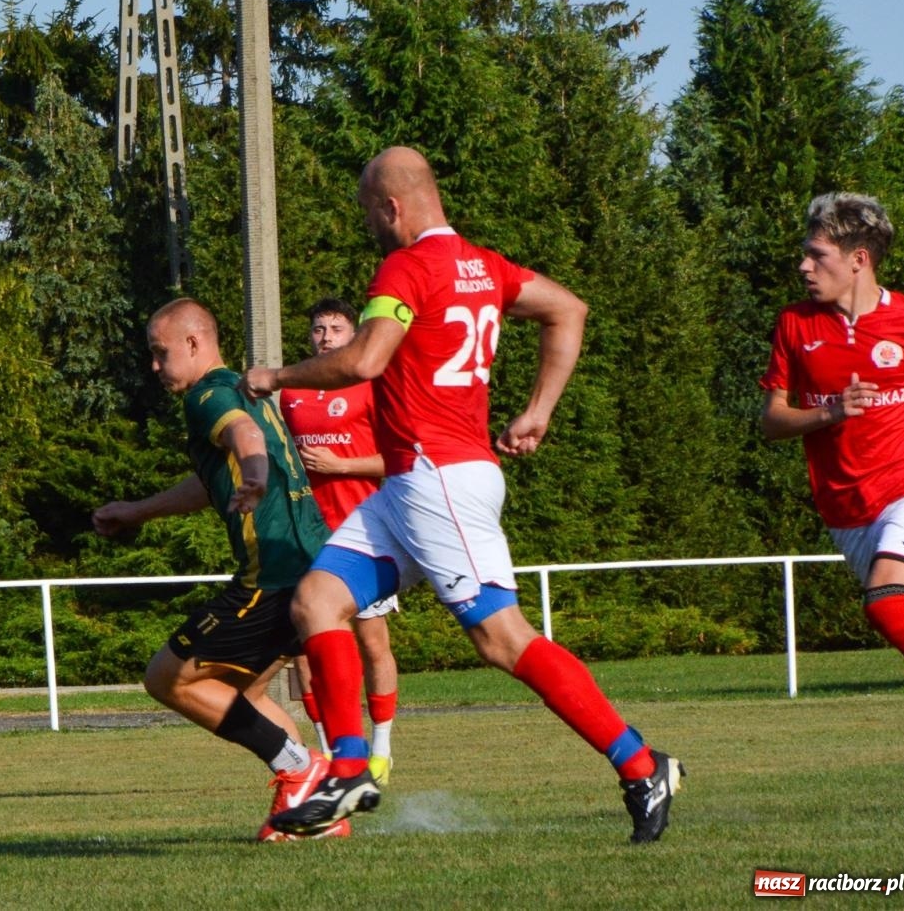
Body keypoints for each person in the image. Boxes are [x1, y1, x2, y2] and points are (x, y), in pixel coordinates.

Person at [242, 146, 683, 843]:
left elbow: (364, 358)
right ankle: (351, 765)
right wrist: (539, 409)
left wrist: (275, 375)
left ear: (391, 206)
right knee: (317, 600)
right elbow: (568, 309)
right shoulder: (485, 266)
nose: (369, 227)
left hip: (436, 478)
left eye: (368, 213)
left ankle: (639, 762)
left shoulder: (406, 266)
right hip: (412, 482)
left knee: (502, 639)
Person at [91, 298, 344, 842]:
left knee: (167, 677)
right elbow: (210, 483)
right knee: (241, 694)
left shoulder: (208, 396)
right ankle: (317, 812)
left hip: (270, 578)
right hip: (311, 570)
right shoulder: (239, 388)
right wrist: (137, 511)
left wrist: (253, 476)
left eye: (160, 354)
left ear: (193, 344)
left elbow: (245, 443)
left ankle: (301, 772)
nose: (155, 367)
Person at [760, 192, 904, 676]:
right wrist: (828, 412)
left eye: (817, 255)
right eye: (805, 253)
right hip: (846, 511)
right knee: (897, 614)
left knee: (886, 602)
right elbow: (772, 421)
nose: (804, 266)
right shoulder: (794, 323)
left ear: (858, 259)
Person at [279, 297, 399, 780]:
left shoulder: (373, 385)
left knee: (372, 643)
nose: (325, 336)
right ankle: (329, 751)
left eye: (335, 328)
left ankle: (382, 749)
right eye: (318, 328)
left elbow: (398, 460)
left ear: (354, 336)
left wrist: (343, 466)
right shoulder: (293, 392)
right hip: (307, 534)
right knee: (305, 648)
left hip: (362, 531)